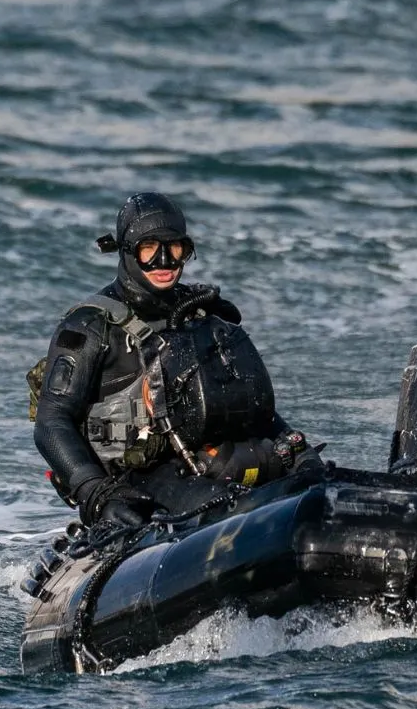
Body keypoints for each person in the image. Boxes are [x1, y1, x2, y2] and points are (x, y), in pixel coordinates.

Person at [33, 193, 312, 547]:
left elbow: (245, 403)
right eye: (149, 249)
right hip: (133, 481)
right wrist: (96, 492)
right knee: (225, 508)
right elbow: (51, 421)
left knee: (310, 486)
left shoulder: (199, 314)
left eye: (175, 248)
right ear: (126, 251)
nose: (164, 261)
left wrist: (296, 450)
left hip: (208, 459)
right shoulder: (89, 327)